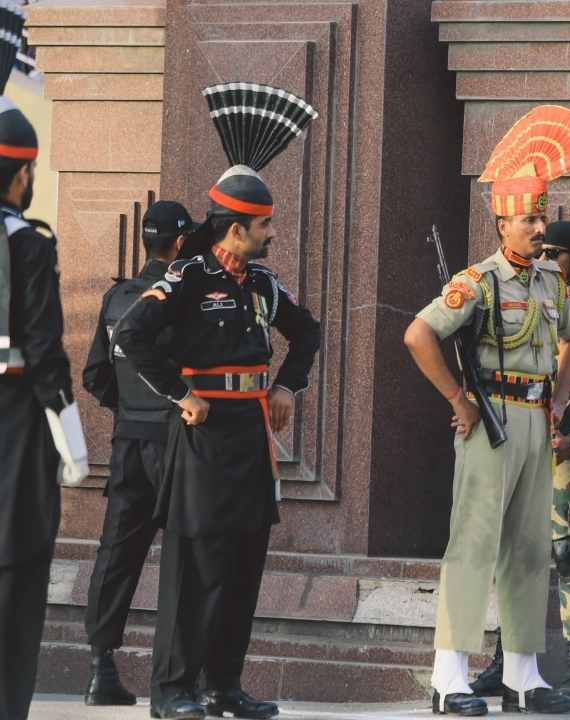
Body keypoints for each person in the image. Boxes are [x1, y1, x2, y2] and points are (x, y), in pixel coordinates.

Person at [114, 83, 322, 720]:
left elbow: (307, 331)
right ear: (238, 226)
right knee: (193, 561)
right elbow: (130, 336)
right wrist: (180, 394)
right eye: (264, 226)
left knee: (243, 557)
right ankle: (173, 691)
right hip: (201, 431)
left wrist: (287, 384)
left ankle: (222, 685)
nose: (270, 235)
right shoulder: (190, 275)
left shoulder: (261, 279)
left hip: (250, 428)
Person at [403, 105, 570, 716]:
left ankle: (521, 675)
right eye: (531, 219)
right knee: (473, 547)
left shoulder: (550, 283)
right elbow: (418, 335)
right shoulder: (477, 282)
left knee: (530, 549)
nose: (541, 229)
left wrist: (559, 398)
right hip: (491, 419)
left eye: (543, 217)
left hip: (536, 418)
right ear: (503, 224)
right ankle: (449, 676)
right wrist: (458, 400)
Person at [470, 222, 570, 703]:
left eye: (557, 253)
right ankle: (503, 659)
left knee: (567, 553)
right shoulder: (528, 300)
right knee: (510, 551)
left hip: (565, 450)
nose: (548, 260)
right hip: (517, 438)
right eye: (544, 251)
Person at [79, 201, 193, 707]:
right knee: (185, 554)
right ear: (182, 243)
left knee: (117, 555)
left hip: (128, 441)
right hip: (177, 440)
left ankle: (100, 667)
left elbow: (94, 376)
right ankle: (176, 680)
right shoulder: (180, 297)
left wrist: (127, 409)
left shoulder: (117, 296)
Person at [0, 84, 89, 718]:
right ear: (23, 172)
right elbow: (43, 345)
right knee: (17, 571)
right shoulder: (28, 243)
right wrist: (69, 431)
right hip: (14, 428)